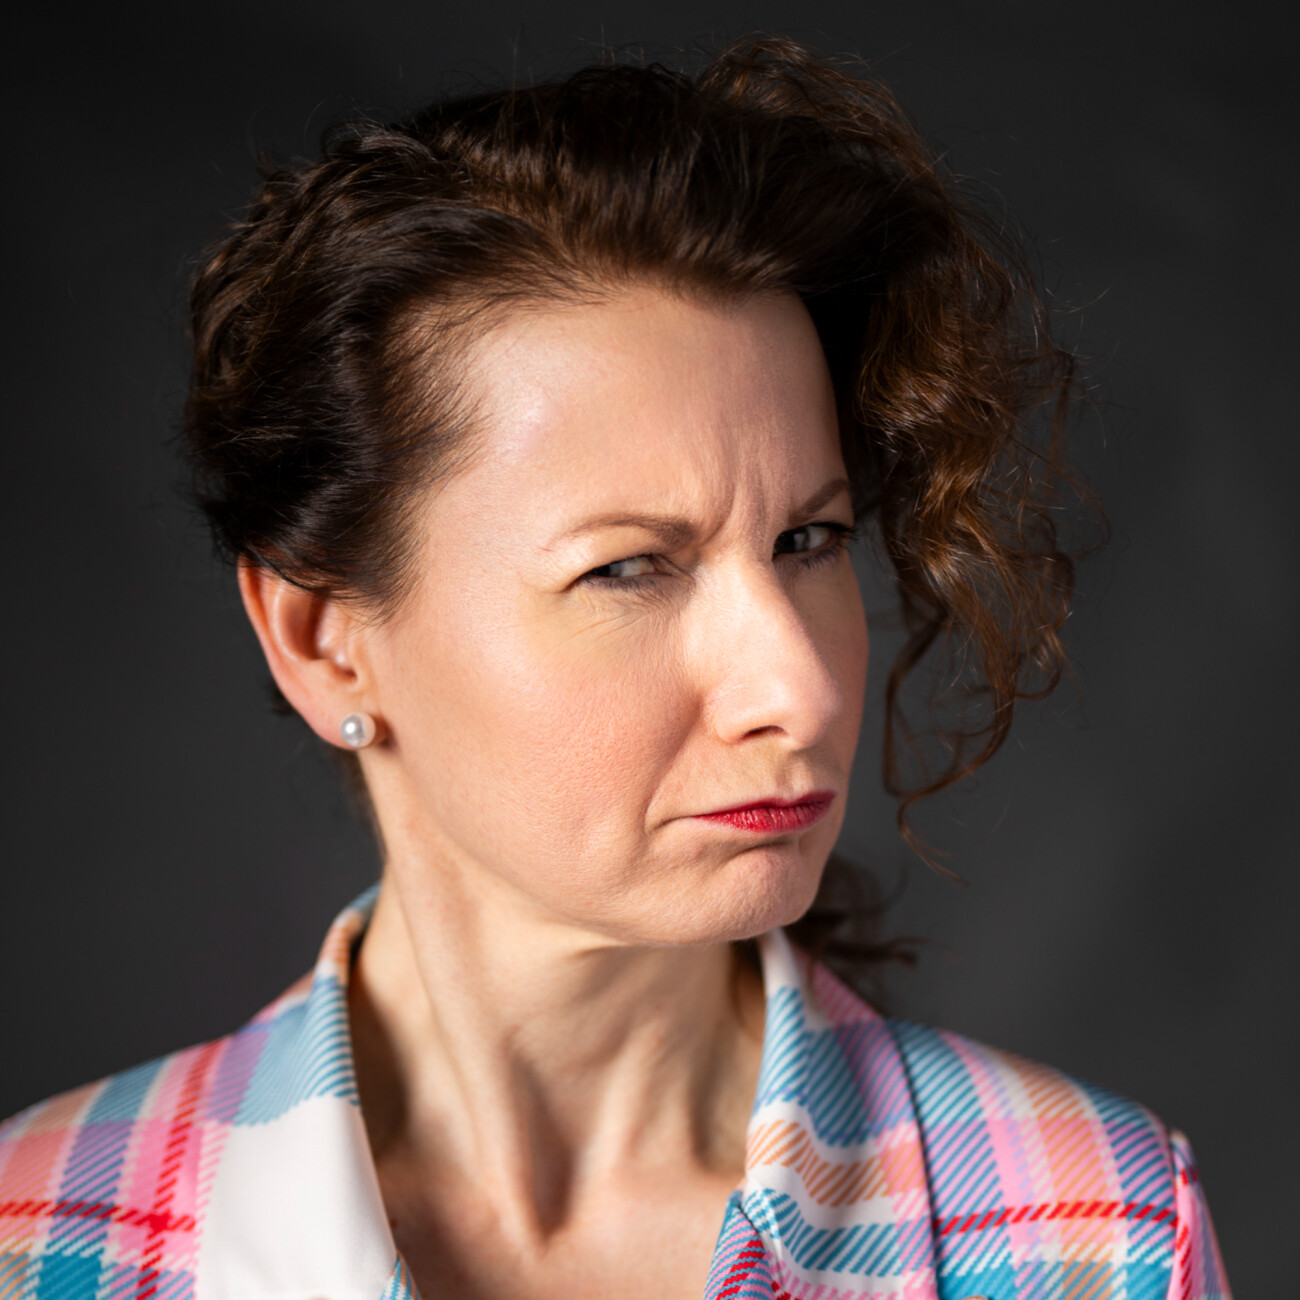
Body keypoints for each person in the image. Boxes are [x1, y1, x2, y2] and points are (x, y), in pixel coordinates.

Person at [0, 36, 1229, 1300]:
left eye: (807, 541)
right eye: (629, 567)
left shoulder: (1097, 1236)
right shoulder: (35, 1242)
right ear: (326, 642)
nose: (797, 689)